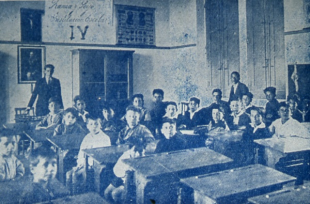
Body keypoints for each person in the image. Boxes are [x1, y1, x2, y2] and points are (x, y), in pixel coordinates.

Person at [66, 115, 111, 193]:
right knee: (68, 174)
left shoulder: (105, 138)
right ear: (87, 126)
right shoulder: (87, 137)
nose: (94, 126)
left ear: (100, 125)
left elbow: (102, 156)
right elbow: (81, 153)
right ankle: (70, 197)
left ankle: (80, 196)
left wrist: (86, 165)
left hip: (96, 166)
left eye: (96, 124)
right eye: (91, 124)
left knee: (75, 175)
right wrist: (79, 164)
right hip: (84, 164)